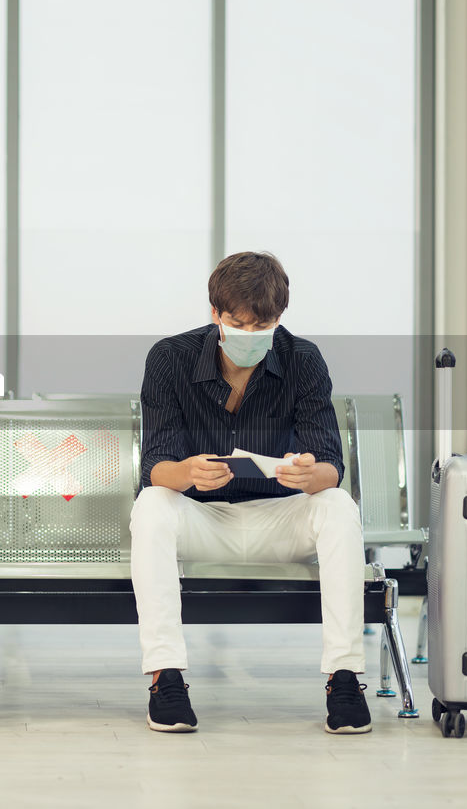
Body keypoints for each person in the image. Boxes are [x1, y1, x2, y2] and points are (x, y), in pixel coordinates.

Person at [130, 251, 370, 735]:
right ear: (215, 314)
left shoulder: (302, 360)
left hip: (277, 518)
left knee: (338, 507)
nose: (252, 336)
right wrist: (188, 473)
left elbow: (332, 466)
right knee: (152, 505)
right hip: (202, 520)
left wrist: (310, 473)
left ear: (280, 318)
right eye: (240, 325)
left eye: (264, 326)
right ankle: (166, 676)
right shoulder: (170, 358)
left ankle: (344, 677)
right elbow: (156, 467)